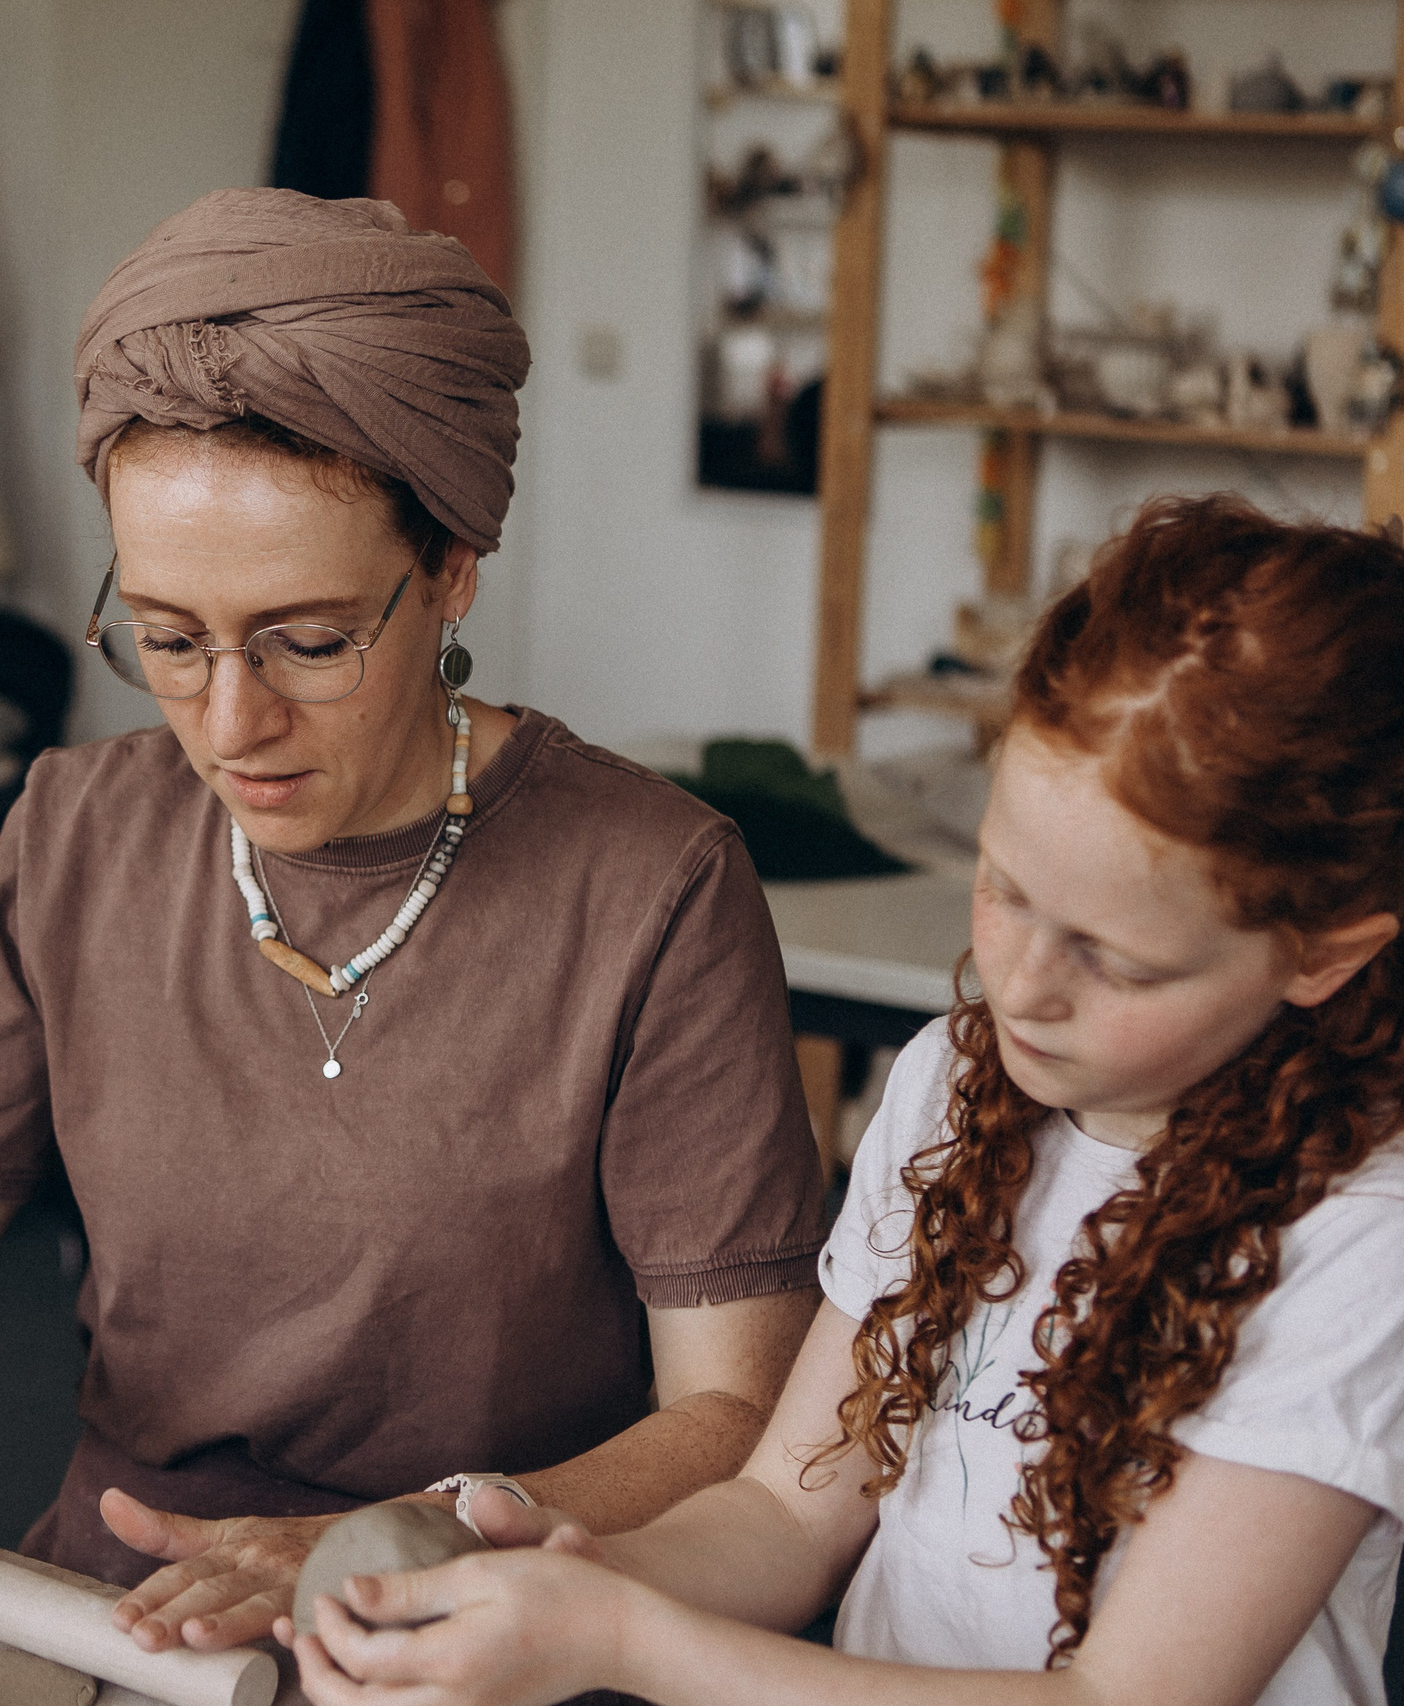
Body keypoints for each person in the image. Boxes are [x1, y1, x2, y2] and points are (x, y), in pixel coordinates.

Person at [0, 187, 829, 1650]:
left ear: (450, 572)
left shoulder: (651, 888)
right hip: (126, 1618)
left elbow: (735, 1415)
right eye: (168, 640)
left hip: (482, 1626)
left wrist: (409, 1531)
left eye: (307, 642)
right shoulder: (77, 830)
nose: (230, 723)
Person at [295, 494, 1404, 1706]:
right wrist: (574, 1578)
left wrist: (623, 1638)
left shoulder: (1357, 1240)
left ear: (1322, 953)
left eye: (1117, 960)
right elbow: (786, 1511)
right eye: (1003, 887)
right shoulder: (957, 1086)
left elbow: (1122, 1697)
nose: (1021, 985)